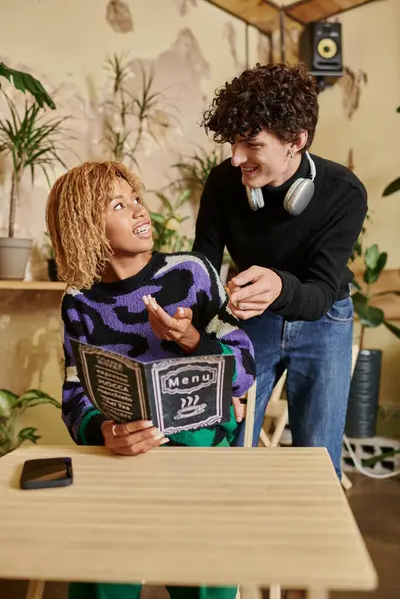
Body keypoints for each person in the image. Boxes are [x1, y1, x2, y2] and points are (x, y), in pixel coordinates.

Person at [46, 160, 256, 599]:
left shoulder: (192, 273)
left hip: (200, 455)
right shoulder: (79, 301)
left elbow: (244, 367)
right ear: (87, 228)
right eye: (119, 205)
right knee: (100, 564)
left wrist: (193, 339)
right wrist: (105, 431)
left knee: (206, 566)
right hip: (121, 461)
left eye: (136, 199)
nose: (140, 210)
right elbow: (74, 393)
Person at [193, 63, 368, 479]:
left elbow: (322, 291)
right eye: (233, 143)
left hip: (325, 320)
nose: (236, 158)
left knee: (318, 457)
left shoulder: (343, 193)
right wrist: (197, 340)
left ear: (296, 141)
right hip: (251, 319)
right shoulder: (223, 183)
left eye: (251, 144)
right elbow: (204, 265)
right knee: (232, 445)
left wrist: (279, 285)